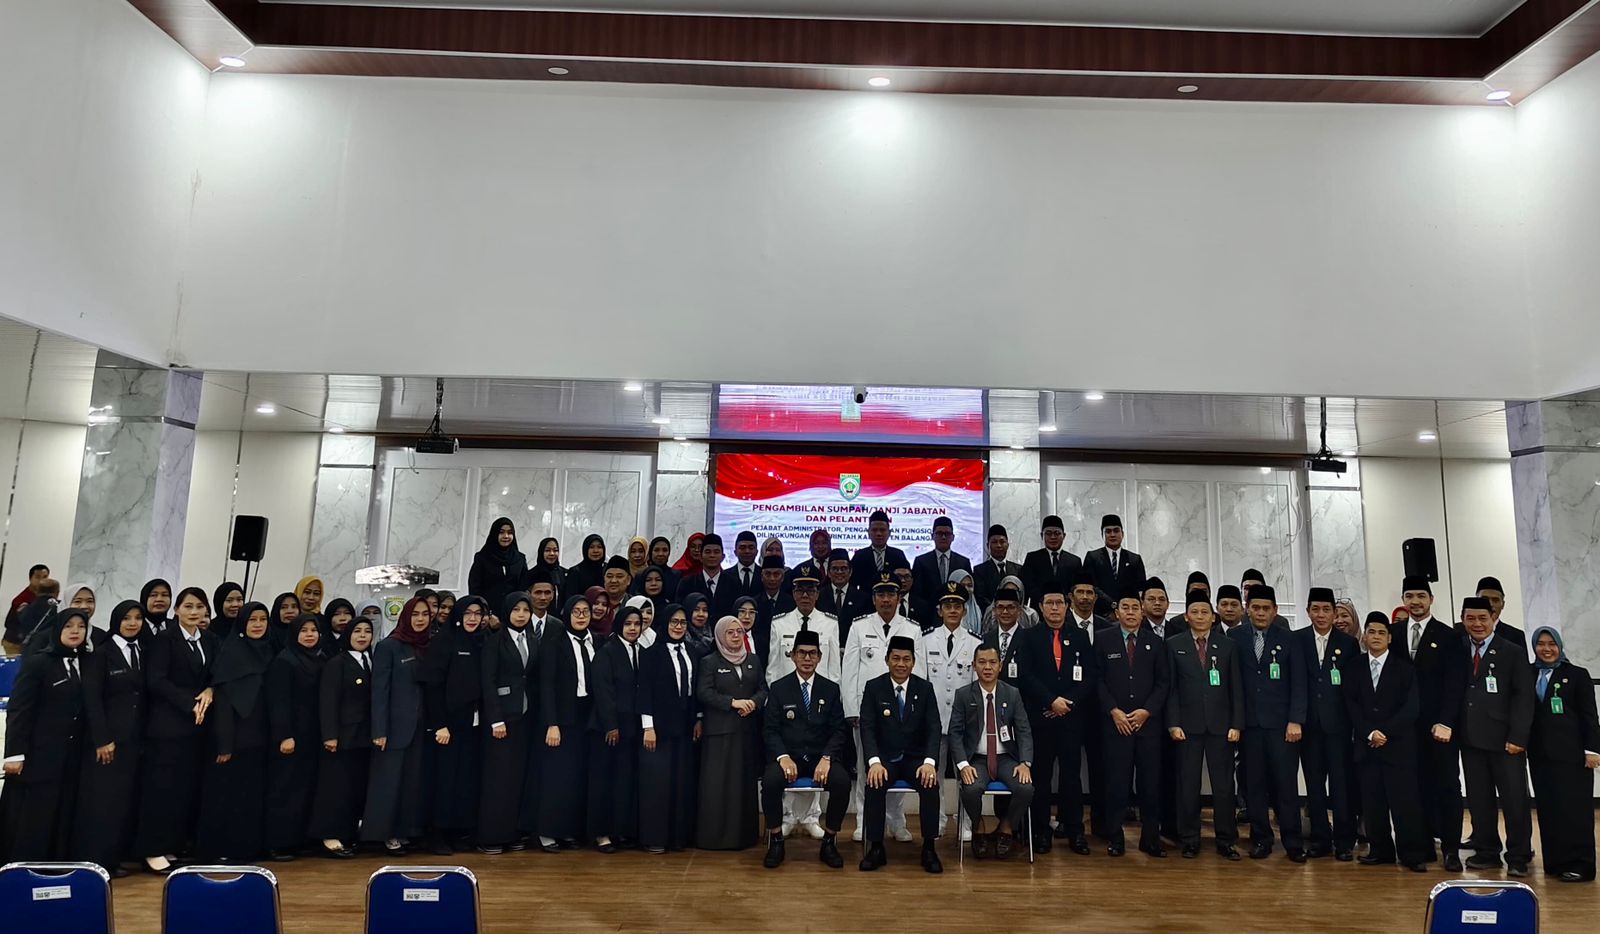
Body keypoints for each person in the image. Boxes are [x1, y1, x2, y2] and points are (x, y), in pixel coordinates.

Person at [132, 586, 217, 874]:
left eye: (199, 607)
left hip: (197, 727)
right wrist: (189, 702)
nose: (194, 612)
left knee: (182, 791)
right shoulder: (164, 639)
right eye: (188, 606)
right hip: (167, 726)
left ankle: (171, 844)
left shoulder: (209, 639)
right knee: (161, 790)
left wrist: (210, 691)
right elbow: (156, 680)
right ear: (176, 609)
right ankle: (151, 849)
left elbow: (216, 673)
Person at [843, 575, 928, 842]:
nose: (886, 599)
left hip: (902, 713)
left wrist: (916, 712)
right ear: (873, 599)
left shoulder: (912, 628)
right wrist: (851, 709)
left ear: (899, 598)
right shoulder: (859, 626)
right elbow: (849, 670)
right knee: (866, 768)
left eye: (891, 594)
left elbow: (920, 672)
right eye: (881, 594)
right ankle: (864, 821)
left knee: (900, 762)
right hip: (867, 712)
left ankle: (896, 821)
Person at [0, 607, 89, 860]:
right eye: (68, 626)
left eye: (81, 626)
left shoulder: (86, 662)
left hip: (69, 756)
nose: (75, 631)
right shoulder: (38, 663)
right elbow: (20, 709)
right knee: (31, 816)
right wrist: (15, 754)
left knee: (58, 814)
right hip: (37, 755)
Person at [759, 629, 850, 870]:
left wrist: (827, 758)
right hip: (789, 757)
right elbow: (770, 730)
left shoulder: (830, 689)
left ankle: (829, 841)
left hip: (820, 758)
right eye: (802, 653)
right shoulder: (779, 688)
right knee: (770, 781)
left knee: (842, 782)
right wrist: (783, 757)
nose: (807, 658)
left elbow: (839, 730)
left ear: (820, 657)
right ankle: (776, 840)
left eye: (812, 653)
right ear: (793, 656)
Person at [1457, 596, 1534, 877]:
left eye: (1482, 618)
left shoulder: (1512, 651)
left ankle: (1518, 856)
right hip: (1470, 739)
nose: (1477, 624)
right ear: (1463, 620)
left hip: (1505, 741)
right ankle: (1487, 851)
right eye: (1470, 618)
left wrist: (1518, 737)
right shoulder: (1458, 648)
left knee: (1514, 800)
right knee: (1479, 800)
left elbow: (1523, 697)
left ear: (1493, 619)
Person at [1347, 612, 1430, 872]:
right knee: (1373, 803)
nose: (1376, 637)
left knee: (1405, 802)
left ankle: (1411, 853)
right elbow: (1351, 704)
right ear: (1364, 636)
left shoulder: (1404, 669)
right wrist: (1369, 732)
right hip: (1367, 745)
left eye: (1382, 633)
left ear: (1390, 638)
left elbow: (1411, 708)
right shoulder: (1354, 667)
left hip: (1398, 746)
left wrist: (1384, 732)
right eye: (1371, 632)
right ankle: (1380, 850)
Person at [1230, 585, 1307, 861]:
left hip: (1282, 727)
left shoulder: (1289, 639)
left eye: (1266, 608)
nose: (1261, 613)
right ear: (1247, 610)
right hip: (1249, 726)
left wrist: (1296, 720)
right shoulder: (1234, 637)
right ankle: (1261, 839)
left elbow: (1299, 682)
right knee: (1254, 786)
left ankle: (1293, 842)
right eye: (1256, 608)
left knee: (1285, 786)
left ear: (1275, 611)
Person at [1019, 583, 1096, 855]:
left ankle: (1075, 830)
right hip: (1041, 718)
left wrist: (1067, 703)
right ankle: (1041, 832)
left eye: (1059, 603)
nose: (1055, 608)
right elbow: (1025, 676)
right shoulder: (1029, 637)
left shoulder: (1080, 636)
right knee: (1040, 777)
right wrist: (1051, 701)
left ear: (1067, 606)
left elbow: (1090, 676)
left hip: (1071, 719)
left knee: (1071, 777)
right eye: (1049, 603)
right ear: (1041, 607)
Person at [195, 600, 274, 863]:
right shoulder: (230, 653)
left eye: (262, 620)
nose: (258, 625)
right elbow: (224, 703)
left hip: (259, 738)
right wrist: (225, 744)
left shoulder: (268, 650)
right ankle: (218, 850)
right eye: (252, 620)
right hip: (232, 741)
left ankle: (246, 849)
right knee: (225, 796)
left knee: (250, 796)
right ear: (242, 623)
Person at [1166, 593, 1244, 860]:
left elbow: (1236, 688)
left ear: (1213, 617)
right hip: (1187, 727)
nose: (1200, 616)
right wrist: (1173, 723)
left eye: (1205, 612)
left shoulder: (1228, 646)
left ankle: (1226, 840)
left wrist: (1237, 724)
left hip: (1221, 726)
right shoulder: (1173, 644)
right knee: (1187, 785)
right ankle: (1189, 839)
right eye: (1195, 612)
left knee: (1224, 787)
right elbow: (1171, 689)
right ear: (1186, 616)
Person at [858, 635, 945, 873]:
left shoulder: (924, 688)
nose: (901, 664)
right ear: (887, 660)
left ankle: (929, 847)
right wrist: (874, 762)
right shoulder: (874, 687)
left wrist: (930, 762)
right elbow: (867, 728)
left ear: (913, 662)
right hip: (885, 759)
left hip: (916, 760)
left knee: (930, 783)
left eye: (906, 659)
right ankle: (876, 847)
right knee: (874, 783)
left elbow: (934, 727)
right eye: (895, 658)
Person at [73, 601, 147, 875]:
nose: (132, 623)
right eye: (127, 618)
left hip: (133, 740)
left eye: (138, 618)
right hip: (107, 742)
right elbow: (92, 700)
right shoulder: (101, 654)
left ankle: (113, 857)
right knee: (100, 802)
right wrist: (102, 739)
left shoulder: (142, 651)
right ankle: (95, 859)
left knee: (121, 801)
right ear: (116, 621)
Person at [1399, 575, 1467, 871]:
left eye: (1421, 596)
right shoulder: (1393, 633)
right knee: (1414, 787)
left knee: (1447, 786)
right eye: (1410, 596)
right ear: (1403, 600)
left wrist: (1446, 721)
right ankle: (1422, 845)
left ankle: (1451, 849)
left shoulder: (1449, 635)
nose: (1415, 602)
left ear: (1431, 600)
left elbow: (1455, 683)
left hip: (1439, 728)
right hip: (1404, 728)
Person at [1098, 587, 1172, 857]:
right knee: (1117, 784)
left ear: (1142, 612)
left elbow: (1163, 683)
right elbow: (1097, 680)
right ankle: (1115, 837)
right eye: (1125, 608)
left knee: (1150, 785)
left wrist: (1146, 711)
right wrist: (1113, 711)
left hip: (1147, 726)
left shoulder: (1156, 642)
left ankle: (1150, 839)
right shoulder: (1103, 639)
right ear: (1117, 612)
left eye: (1135, 608)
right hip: (1115, 724)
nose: (1130, 613)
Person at [361, 595, 433, 856]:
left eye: (425, 614)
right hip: (392, 729)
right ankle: (384, 834)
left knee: (410, 783)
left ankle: (404, 831)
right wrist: (379, 730)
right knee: (388, 783)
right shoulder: (390, 646)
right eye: (415, 614)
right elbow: (379, 691)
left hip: (420, 728)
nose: (420, 619)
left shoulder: (428, 645)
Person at [1526, 626, 1600, 882]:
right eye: (1541, 644)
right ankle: (1555, 862)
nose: (1546, 649)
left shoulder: (1577, 675)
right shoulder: (1528, 673)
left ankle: (1581, 865)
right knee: (1549, 809)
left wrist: (1592, 750)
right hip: (1540, 755)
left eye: (1552, 644)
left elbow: (1590, 716)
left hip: (1573, 756)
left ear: (1559, 646)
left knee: (1575, 811)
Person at [950, 645, 1035, 860]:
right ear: (974, 666)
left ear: (1000, 666)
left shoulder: (1012, 694)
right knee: (970, 789)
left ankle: (1006, 828)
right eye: (982, 662)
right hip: (976, 759)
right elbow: (955, 734)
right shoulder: (963, 695)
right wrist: (963, 765)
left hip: (1006, 758)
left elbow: (1024, 730)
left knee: (1025, 788)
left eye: (992, 662)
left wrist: (1025, 762)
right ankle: (977, 825)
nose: (987, 667)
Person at [1294, 587, 1358, 861]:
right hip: (1309, 726)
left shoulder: (1348, 643)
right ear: (1308, 611)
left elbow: (1354, 689)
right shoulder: (1297, 640)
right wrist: (1296, 719)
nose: (1321, 615)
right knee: (1315, 785)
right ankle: (1320, 838)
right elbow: (1295, 683)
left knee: (1341, 785)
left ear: (1334, 613)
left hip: (1339, 726)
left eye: (1326, 610)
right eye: (1315, 609)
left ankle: (1344, 841)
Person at [540, 594, 607, 851]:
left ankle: (569, 830)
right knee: (557, 776)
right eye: (576, 611)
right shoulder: (554, 643)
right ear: (567, 614)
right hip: (562, 718)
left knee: (579, 777)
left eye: (585, 611)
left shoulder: (597, 641)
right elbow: (546, 686)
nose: (581, 616)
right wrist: (551, 723)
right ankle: (548, 831)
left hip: (589, 717)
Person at [306, 616, 375, 858]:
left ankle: (347, 833)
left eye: (367, 631)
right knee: (335, 787)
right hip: (341, 737)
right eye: (357, 631)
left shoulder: (370, 661)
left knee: (354, 787)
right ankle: (329, 835)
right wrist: (330, 735)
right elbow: (328, 701)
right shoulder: (337, 663)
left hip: (363, 737)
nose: (363, 636)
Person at [476, 592, 539, 855]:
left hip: (525, 717)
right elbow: (488, 682)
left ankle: (512, 832)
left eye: (526, 610)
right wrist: (496, 719)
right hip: (501, 718)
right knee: (497, 779)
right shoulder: (495, 641)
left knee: (517, 778)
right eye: (516, 609)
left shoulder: (533, 639)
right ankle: (491, 836)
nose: (521, 614)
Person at [696, 615, 766, 851]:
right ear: (720, 635)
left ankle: (744, 837)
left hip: (746, 732)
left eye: (739, 632)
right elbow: (704, 692)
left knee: (742, 784)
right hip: (720, 733)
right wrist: (732, 702)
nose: (736, 636)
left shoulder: (753, 660)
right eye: (730, 632)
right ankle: (714, 838)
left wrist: (754, 702)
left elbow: (762, 688)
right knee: (718, 784)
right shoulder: (709, 662)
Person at [638, 603, 701, 854]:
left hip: (684, 726)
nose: (678, 627)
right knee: (658, 784)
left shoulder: (692, 651)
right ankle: (655, 837)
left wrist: (698, 718)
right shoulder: (651, 653)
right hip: (659, 728)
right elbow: (644, 691)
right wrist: (648, 727)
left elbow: (695, 689)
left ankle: (678, 836)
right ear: (664, 623)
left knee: (681, 781)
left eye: (683, 622)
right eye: (674, 622)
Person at [263, 614, 327, 861]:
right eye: (304, 630)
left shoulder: (320, 658)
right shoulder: (285, 660)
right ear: (294, 634)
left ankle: (299, 839)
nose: (310, 635)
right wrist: (285, 735)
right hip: (290, 736)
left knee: (305, 788)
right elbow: (279, 702)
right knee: (284, 789)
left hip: (312, 735)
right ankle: (278, 842)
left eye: (313, 630)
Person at [925, 584, 981, 840]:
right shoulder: (926, 640)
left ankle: (965, 822)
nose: (952, 610)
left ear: (964, 610)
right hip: (934, 721)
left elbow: (976, 688)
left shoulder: (975, 643)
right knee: (933, 775)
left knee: (965, 773)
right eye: (947, 606)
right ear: (940, 611)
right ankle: (935, 821)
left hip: (963, 723)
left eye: (957, 606)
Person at [593, 605, 646, 851]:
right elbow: (603, 692)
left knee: (624, 780)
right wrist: (611, 725)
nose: (633, 628)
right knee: (605, 780)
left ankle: (620, 830)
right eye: (628, 624)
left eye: (637, 624)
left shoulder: (640, 650)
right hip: (609, 728)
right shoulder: (607, 651)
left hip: (632, 727)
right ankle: (601, 833)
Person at [1082, 515, 1147, 617]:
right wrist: (1112, 604)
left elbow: (1140, 589)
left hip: (1127, 613)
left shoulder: (1135, 559)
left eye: (1116, 531)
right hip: (1100, 614)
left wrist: (1123, 606)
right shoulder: (1092, 557)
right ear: (1102, 535)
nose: (1112, 535)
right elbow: (1091, 586)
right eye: (1108, 531)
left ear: (1122, 534)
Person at [911, 516, 971, 622]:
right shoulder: (921, 561)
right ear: (932, 536)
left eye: (947, 534)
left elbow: (968, 594)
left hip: (957, 617)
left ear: (953, 537)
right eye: (939, 533)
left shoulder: (963, 562)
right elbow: (917, 593)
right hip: (928, 618)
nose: (943, 537)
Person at [1021, 515, 1081, 609]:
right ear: (1042, 535)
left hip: (1066, 611)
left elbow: (1076, 590)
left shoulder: (1074, 561)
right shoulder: (1032, 558)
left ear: (1064, 536)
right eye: (1048, 533)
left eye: (1057, 533)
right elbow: (1027, 587)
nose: (1053, 537)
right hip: (1039, 611)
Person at [470, 517, 529, 610]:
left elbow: (523, 587)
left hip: (513, 612)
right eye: (501, 532)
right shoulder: (482, 557)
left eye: (510, 532)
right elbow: (474, 589)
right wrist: (486, 612)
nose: (506, 536)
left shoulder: (520, 559)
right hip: (487, 612)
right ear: (495, 534)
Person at [676, 533, 740, 618]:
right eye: (708, 552)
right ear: (700, 557)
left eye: (716, 552)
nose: (712, 555)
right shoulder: (687, 583)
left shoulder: (733, 583)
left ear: (723, 557)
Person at [1459, 576, 1527, 650]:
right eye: (1485, 599)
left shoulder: (1516, 636)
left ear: (1503, 604)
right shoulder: (1458, 632)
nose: (1490, 604)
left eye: (1495, 600)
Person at [982, 585, 1029, 688]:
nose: (1005, 612)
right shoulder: (986, 639)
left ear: (1019, 611)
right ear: (994, 610)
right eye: (1000, 607)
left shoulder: (1028, 639)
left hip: (1020, 695)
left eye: (1010, 607)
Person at [818, 549, 868, 644]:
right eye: (835, 569)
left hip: (853, 646)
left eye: (843, 568)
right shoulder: (819, 596)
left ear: (850, 572)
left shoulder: (862, 598)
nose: (839, 572)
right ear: (828, 573)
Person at [850, 510, 910, 589]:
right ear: (868, 533)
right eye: (874, 530)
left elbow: (907, 580)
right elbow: (852, 583)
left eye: (882, 530)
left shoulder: (898, 555)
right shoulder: (860, 556)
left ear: (889, 533)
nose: (878, 534)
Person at [972, 524, 1024, 612]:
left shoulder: (1018, 569)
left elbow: (1022, 595)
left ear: (1007, 545)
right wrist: (997, 610)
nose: (999, 545)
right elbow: (980, 597)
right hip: (989, 615)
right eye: (994, 542)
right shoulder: (980, 570)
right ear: (988, 545)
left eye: (1002, 542)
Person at [2, 563, 50, 652]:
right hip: (15, 643)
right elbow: (9, 623)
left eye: (45, 577)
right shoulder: (21, 599)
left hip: (31, 642)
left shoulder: (44, 596)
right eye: (37, 577)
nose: (41, 580)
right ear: (30, 578)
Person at [785, 529, 832, 593]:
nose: (820, 546)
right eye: (816, 543)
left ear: (829, 545)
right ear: (811, 545)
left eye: (824, 543)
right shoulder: (800, 568)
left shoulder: (836, 567)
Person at [531, 537, 567, 603]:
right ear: (541, 552)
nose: (552, 553)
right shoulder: (531, 574)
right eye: (547, 550)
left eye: (555, 550)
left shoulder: (564, 573)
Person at [729, 531, 762, 596]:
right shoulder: (725, 575)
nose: (747, 551)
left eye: (751, 548)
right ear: (735, 552)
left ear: (757, 552)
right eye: (742, 548)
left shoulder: (764, 574)